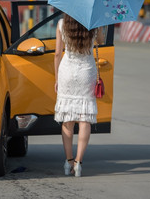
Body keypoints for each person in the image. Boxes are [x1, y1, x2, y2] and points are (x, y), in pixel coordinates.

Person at [54, 13, 104, 177]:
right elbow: (101, 42)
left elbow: (57, 53)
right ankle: (78, 163)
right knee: (84, 119)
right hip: (86, 72)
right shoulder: (94, 23)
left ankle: (68, 161)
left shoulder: (62, 24)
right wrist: (100, 22)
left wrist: (56, 78)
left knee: (67, 119)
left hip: (67, 72)